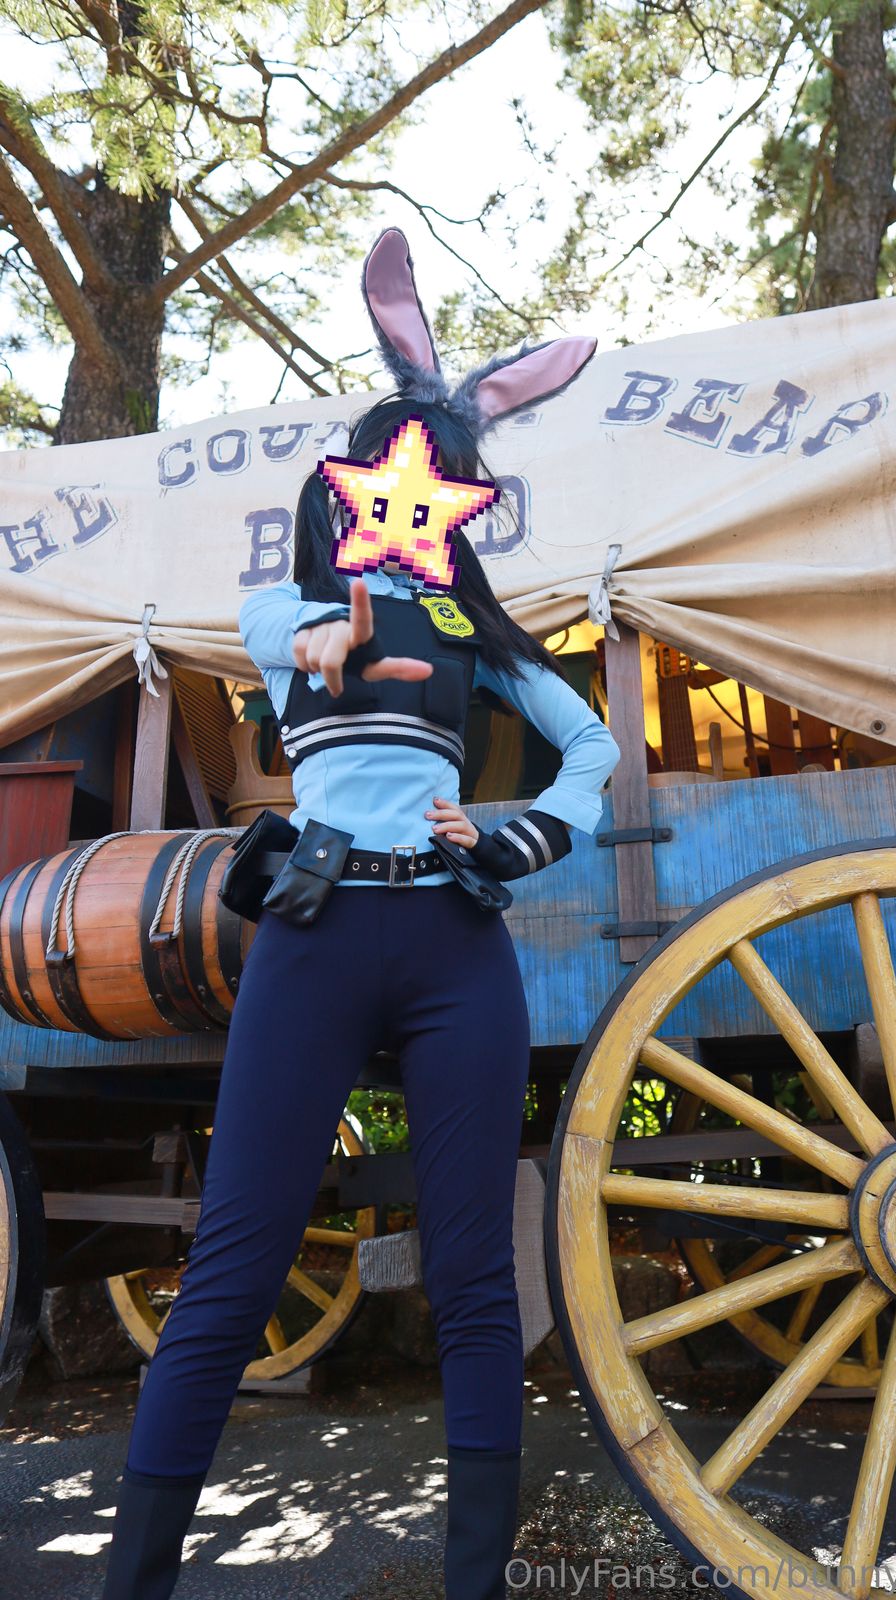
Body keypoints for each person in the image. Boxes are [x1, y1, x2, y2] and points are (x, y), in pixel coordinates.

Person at [99, 228, 619, 1600]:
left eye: (441, 481)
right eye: (397, 476)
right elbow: (281, 634)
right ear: (346, 491)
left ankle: (475, 1584)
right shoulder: (283, 610)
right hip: (315, 935)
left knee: (475, 1275)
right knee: (234, 1265)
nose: (415, 502)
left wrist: (521, 831)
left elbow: (594, 748)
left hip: (454, 941)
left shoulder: (475, 640)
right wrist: (331, 627)